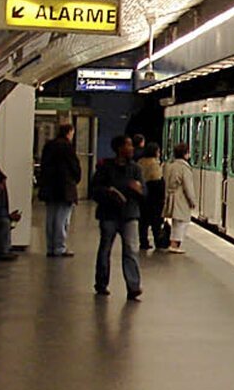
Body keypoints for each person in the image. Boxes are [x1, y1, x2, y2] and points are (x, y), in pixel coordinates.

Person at [90, 135, 144, 299]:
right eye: (128, 145)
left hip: (130, 214)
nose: (132, 148)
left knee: (131, 250)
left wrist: (139, 190)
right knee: (105, 248)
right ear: (119, 149)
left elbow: (144, 192)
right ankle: (101, 283)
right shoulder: (105, 168)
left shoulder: (136, 169)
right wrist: (109, 192)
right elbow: (95, 190)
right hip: (109, 213)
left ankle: (133, 286)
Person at [37, 121, 81, 256]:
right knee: (62, 219)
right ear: (69, 132)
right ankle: (59, 247)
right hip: (65, 187)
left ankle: (50, 247)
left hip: (49, 187)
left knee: (50, 218)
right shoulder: (67, 147)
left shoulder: (49, 146)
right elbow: (74, 167)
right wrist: (76, 179)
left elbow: (43, 165)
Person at [163, 142, 197, 253]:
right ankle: (174, 245)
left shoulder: (170, 166)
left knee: (176, 222)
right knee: (181, 221)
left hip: (171, 196)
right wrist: (192, 200)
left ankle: (174, 243)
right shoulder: (184, 168)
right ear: (185, 154)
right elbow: (188, 186)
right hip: (180, 198)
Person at [0, 166, 21, 261]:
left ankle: (6, 248)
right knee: (5, 222)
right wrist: (9, 216)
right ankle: (3, 251)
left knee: (6, 221)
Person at [137, 143, 166, 251]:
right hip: (154, 198)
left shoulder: (140, 162)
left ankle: (143, 242)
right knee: (156, 221)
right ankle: (158, 241)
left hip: (142, 196)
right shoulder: (154, 164)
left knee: (143, 222)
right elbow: (157, 182)